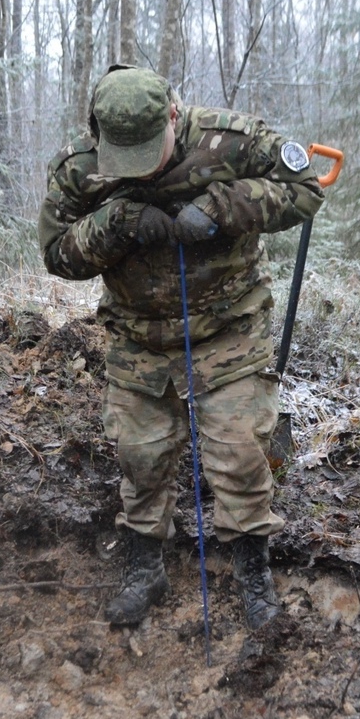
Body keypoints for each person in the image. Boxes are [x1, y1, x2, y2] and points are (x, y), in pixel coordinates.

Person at [38, 64, 325, 630]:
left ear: (173, 114)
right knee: (140, 458)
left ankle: (252, 572)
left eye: (150, 148)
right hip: (138, 338)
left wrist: (222, 209)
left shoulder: (232, 140)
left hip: (228, 328)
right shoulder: (79, 168)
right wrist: (114, 227)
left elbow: (304, 191)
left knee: (239, 454)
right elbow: (56, 254)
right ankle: (146, 566)